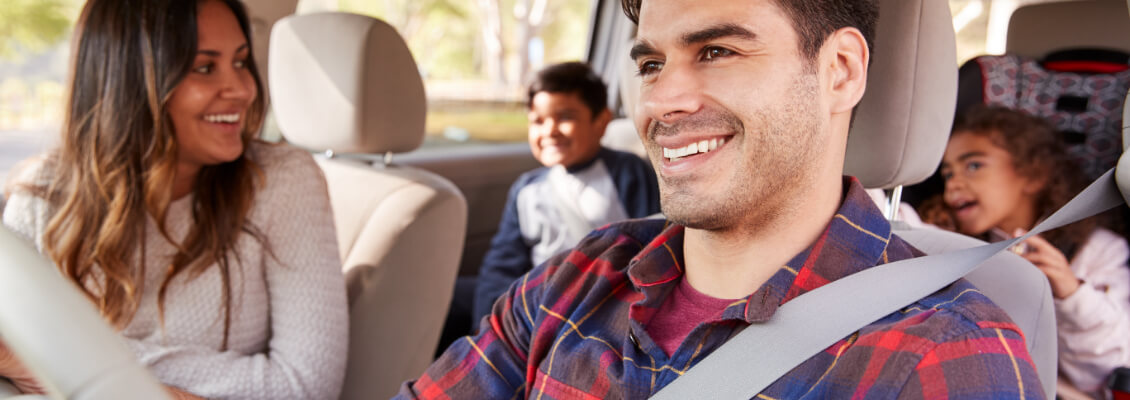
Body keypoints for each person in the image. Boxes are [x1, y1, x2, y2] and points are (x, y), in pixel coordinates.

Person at [398, 0, 1044, 398]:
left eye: (717, 50)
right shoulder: (578, 279)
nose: (660, 101)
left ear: (840, 71)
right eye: (651, 64)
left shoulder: (943, 354)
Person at [0, 0, 348, 399]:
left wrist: (72, 364)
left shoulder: (280, 181)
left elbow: (304, 387)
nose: (242, 89)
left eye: (241, 61)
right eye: (205, 67)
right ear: (128, 83)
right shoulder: (43, 196)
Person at [936, 105, 1130, 396]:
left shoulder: (1097, 250)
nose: (953, 185)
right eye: (947, 174)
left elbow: (1111, 368)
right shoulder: (949, 243)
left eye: (974, 166)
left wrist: (1071, 292)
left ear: (1033, 174)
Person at [471, 62, 660, 322]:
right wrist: (490, 321)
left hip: (602, 301)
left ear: (601, 121)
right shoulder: (526, 188)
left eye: (565, 117)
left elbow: (652, 246)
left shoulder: (627, 171)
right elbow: (501, 265)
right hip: (538, 303)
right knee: (446, 294)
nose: (549, 131)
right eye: (538, 121)